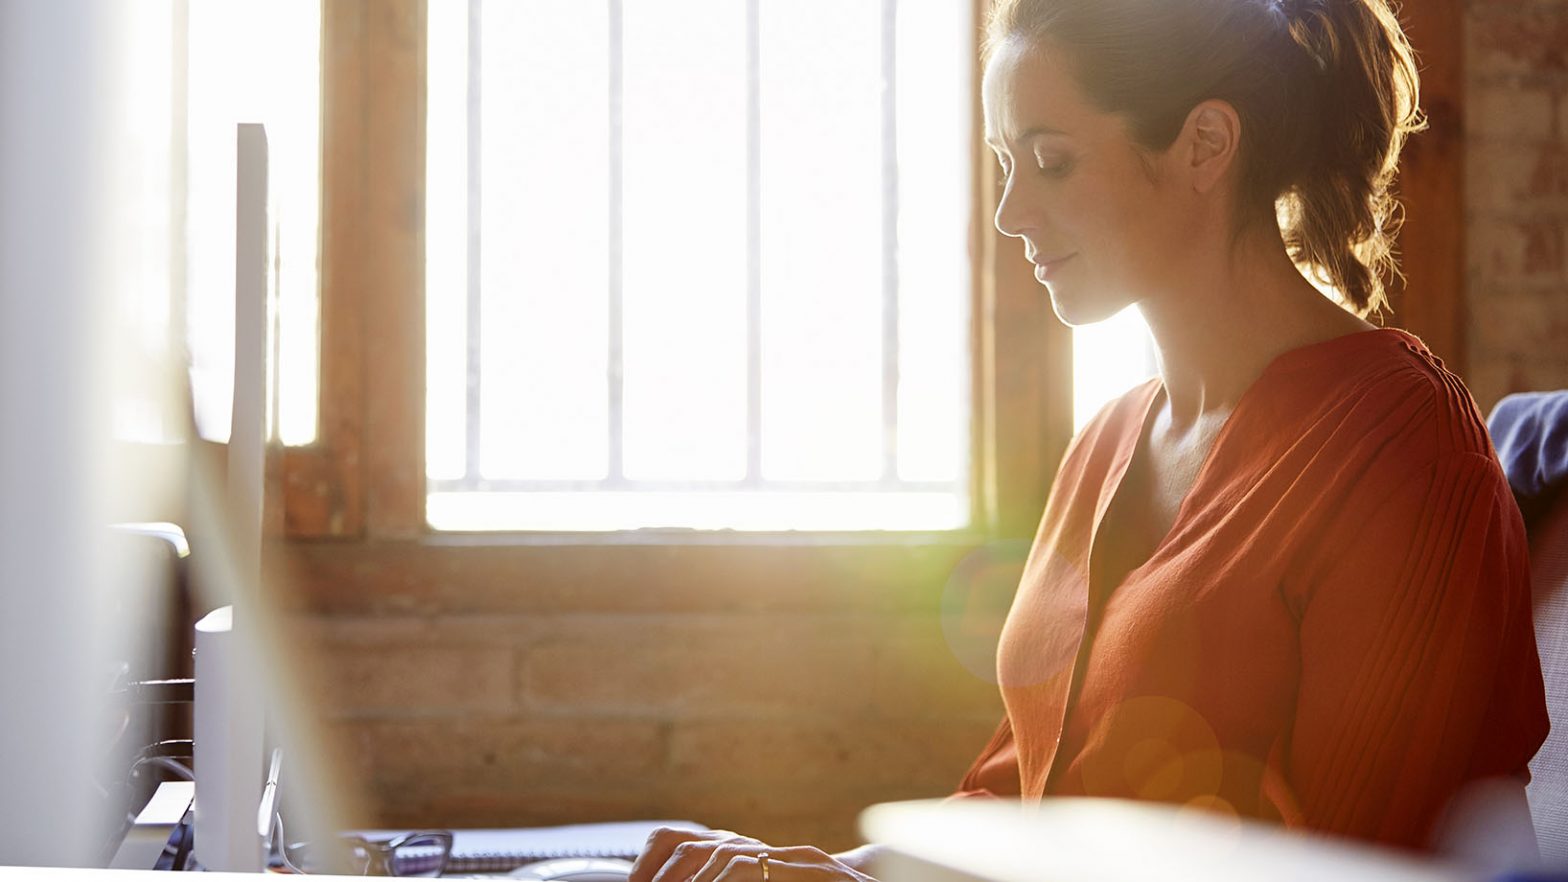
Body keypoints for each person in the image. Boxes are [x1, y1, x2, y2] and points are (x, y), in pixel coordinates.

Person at [629, 0, 1549, 879]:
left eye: (1051, 160)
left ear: (1205, 145)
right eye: (1004, 162)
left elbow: (1348, 870)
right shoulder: (1108, 442)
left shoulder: (1402, 450)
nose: (1010, 212)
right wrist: (819, 872)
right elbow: (1017, 810)